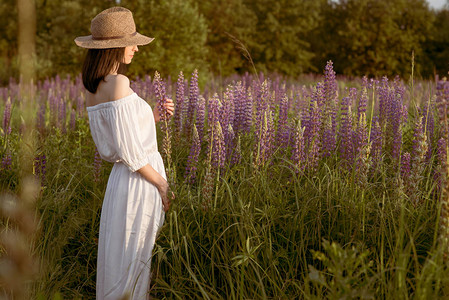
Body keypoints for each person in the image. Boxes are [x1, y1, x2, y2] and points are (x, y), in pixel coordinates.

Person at [74, 7, 174, 299]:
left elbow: (119, 139)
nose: (135, 48)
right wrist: (162, 183)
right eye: (131, 42)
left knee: (121, 259)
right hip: (140, 182)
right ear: (113, 47)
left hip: (120, 184)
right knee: (135, 260)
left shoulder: (95, 88)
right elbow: (133, 154)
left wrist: (152, 116)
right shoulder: (119, 83)